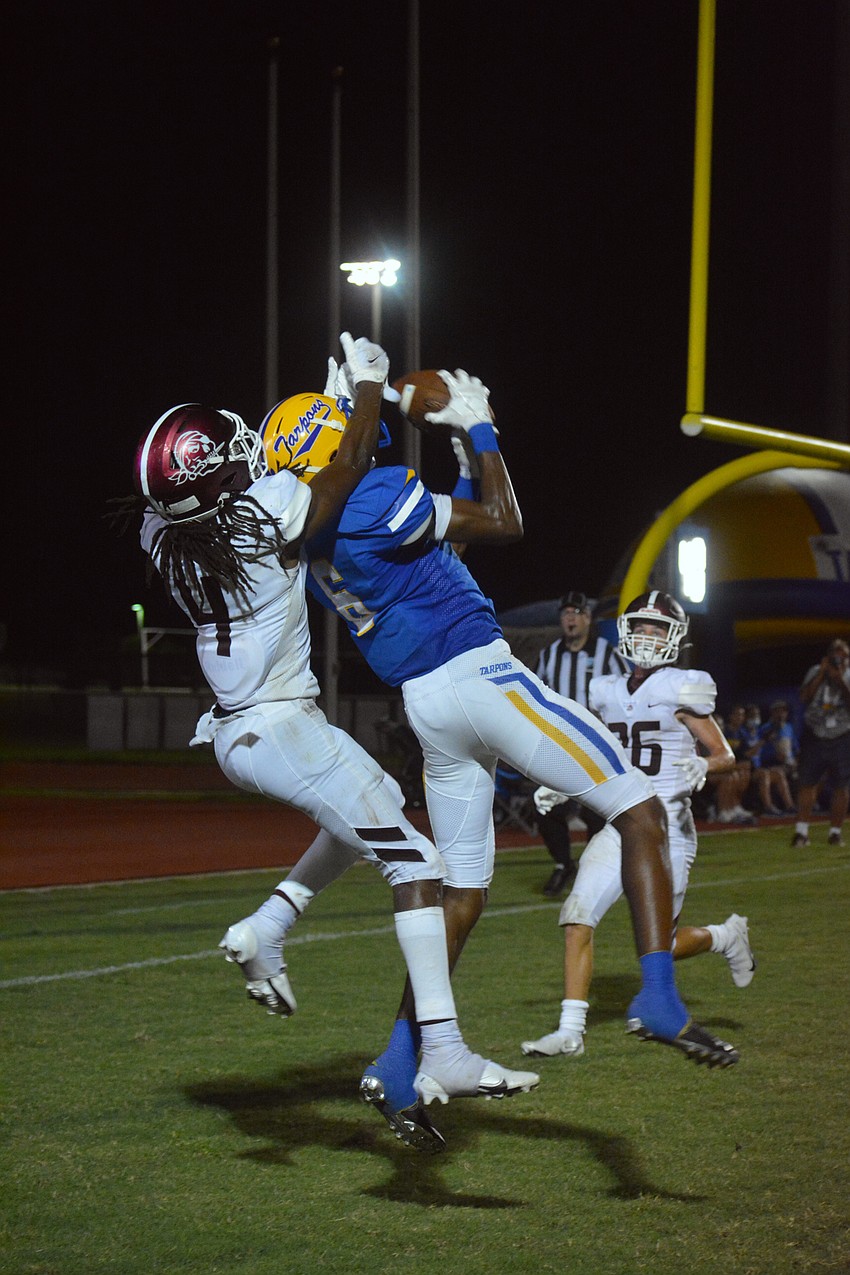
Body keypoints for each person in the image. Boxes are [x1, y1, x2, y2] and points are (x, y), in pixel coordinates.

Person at [256, 363, 739, 1149]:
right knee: (642, 808)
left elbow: (431, 559)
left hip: (428, 710)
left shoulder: (309, 541)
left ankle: (400, 1052)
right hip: (481, 677)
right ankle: (657, 994)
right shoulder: (374, 495)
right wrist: (478, 426)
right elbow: (504, 518)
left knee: (462, 894)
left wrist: (427, 450)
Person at [124, 332, 538, 1154]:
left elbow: (276, 478)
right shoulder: (256, 519)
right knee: (417, 862)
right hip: (276, 727)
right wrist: (364, 395)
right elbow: (338, 478)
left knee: (380, 802)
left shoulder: (160, 532)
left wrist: (330, 417)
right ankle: (445, 1046)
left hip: (249, 731)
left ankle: (269, 923)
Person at [522, 592, 754, 1062]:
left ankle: (725, 936)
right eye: (641, 627)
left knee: (659, 945)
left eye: (657, 628)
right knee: (577, 913)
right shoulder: (605, 689)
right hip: (622, 821)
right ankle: (570, 1031)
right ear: (627, 632)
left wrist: (707, 767)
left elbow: (727, 755)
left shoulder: (683, 688)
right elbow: (600, 758)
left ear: (673, 638)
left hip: (669, 827)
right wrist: (565, 786)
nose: (647, 636)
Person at [533, 592, 629, 896]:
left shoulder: (606, 653)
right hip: (558, 746)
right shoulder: (549, 655)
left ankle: (593, 866)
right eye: (565, 613)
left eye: (577, 612)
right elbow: (534, 697)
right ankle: (563, 863)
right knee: (544, 807)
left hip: (595, 747)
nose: (570, 618)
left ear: (588, 618)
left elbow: (624, 695)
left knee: (596, 812)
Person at [792, 638, 850, 848]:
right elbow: (804, 697)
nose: (839, 658)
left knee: (841, 786)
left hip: (842, 736)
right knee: (808, 783)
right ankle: (801, 832)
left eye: (843, 654)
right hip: (815, 734)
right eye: (835, 653)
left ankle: (835, 832)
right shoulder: (816, 671)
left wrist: (840, 679)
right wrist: (821, 674)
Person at [710, 704, 756, 823]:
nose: (719, 727)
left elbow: (744, 754)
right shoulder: (706, 740)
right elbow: (712, 763)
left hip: (720, 769)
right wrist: (733, 767)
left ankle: (734, 807)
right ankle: (723, 811)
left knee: (740, 773)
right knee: (730, 776)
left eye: (720, 725)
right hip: (706, 773)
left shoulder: (733, 735)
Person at [754, 699, 797, 815]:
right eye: (777, 711)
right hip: (772, 763)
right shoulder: (765, 729)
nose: (781, 714)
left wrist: (795, 762)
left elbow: (795, 749)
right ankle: (773, 807)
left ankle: (798, 805)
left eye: (783, 711)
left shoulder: (789, 728)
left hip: (789, 763)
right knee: (779, 772)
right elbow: (759, 751)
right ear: (772, 713)